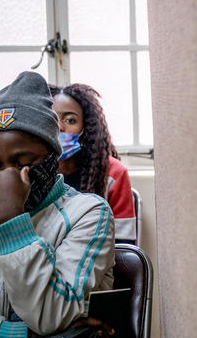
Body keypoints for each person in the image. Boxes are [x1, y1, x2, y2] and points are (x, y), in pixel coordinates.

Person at [0, 72, 122, 338]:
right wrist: (18, 334)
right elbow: (48, 330)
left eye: (22, 160)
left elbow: (50, 315)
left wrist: (12, 221)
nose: (6, 176)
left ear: (52, 159)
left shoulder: (88, 214)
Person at [49, 83, 136, 244]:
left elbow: (124, 245)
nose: (60, 127)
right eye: (52, 119)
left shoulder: (113, 173)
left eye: (70, 120)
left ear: (85, 128)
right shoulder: (28, 169)